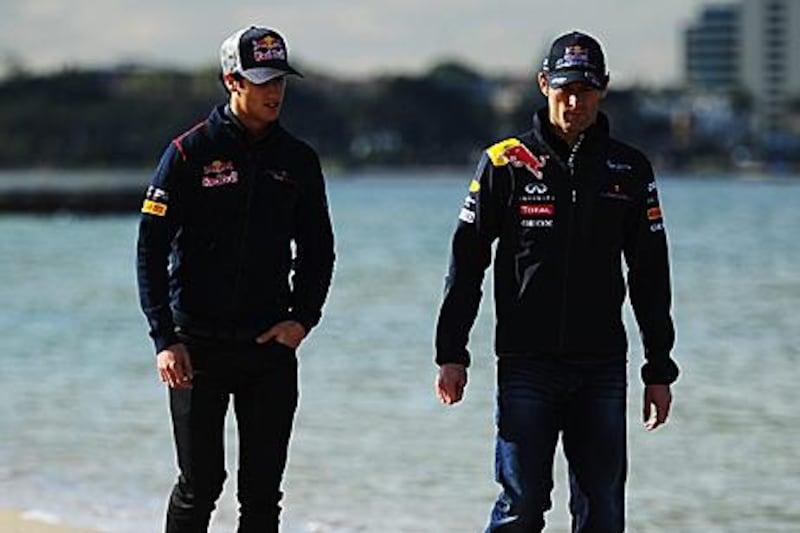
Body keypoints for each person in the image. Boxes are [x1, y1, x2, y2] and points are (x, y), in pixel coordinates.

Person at [433, 31, 679, 532]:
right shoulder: (504, 162)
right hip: (527, 362)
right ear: (543, 85)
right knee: (521, 507)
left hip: (602, 366)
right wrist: (451, 352)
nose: (574, 101)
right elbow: (467, 262)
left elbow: (651, 271)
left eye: (586, 90)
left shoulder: (629, 168)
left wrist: (659, 366)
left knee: (603, 511)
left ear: (604, 89)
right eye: (564, 88)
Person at [136, 25, 335, 532]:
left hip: (268, 350)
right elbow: (150, 249)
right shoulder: (186, 154)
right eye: (262, 79)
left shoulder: (299, 160)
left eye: (281, 80)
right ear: (232, 81)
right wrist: (164, 338)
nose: (274, 91)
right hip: (195, 350)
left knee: (263, 494)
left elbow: (319, 251)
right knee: (200, 483)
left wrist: (302, 320)